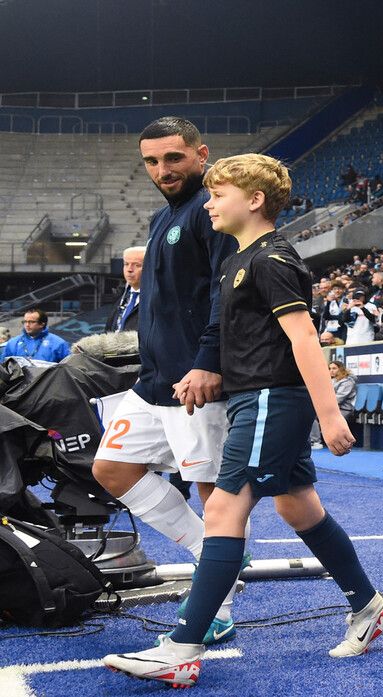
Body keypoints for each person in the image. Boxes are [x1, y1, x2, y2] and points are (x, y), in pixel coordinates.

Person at [103, 154, 383, 687]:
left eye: (218, 195)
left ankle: (183, 645)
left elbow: (305, 339)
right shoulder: (240, 257)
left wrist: (330, 416)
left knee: (222, 510)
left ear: (254, 201)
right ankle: (370, 606)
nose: (208, 203)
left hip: (269, 400)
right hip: (254, 399)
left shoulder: (272, 258)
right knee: (298, 508)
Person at [91, 118, 239, 645]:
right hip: (154, 383)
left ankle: (216, 605)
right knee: (111, 468)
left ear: (201, 154)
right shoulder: (162, 216)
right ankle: (212, 560)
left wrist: (209, 360)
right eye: (151, 161)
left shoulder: (212, 209)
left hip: (196, 382)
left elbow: (228, 295)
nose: (162, 170)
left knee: (212, 494)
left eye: (173, 158)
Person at [310, 360, 356, 450]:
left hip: (344, 410)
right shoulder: (332, 381)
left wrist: (321, 406)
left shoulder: (348, 382)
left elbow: (338, 399)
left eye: (334, 368)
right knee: (310, 414)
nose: (331, 370)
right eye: (330, 368)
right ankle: (313, 440)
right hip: (330, 408)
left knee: (315, 414)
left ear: (341, 369)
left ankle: (316, 442)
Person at [3, 309, 70, 362]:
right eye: (25, 322)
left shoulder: (59, 343)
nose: (27, 325)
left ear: (42, 324)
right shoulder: (13, 343)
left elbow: (67, 368)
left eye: (31, 322)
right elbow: (3, 366)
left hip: (48, 379)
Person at [107, 246, 145, 334]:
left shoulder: (159, 301)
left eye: (137, 265)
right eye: (126, 264)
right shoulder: (121, 297)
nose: (129, 270)